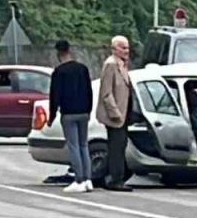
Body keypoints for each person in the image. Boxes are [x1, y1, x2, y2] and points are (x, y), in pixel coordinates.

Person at [47, 40, 95, 193]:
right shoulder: (83, 69)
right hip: (83, 113)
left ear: (58, 53)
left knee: (73, 146)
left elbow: (55, 96)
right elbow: (89, 91)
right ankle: (88, 179)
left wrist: (52, 115)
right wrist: (88, 110)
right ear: (70, 50)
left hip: (68, 114)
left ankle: (78, 179)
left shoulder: (59, 72)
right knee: (84, 145)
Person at [97, 35, 133, 192]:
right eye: (123, 48)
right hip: (116, 116)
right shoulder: (110, 65)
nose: (127, 51)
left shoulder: (123, 65)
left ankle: (103, 176)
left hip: (124, 114)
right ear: (114, 49)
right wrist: (116, 113)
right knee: (116, 147)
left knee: (119, 146)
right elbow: (106, 93)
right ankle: (115, 179)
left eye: (127, 47)